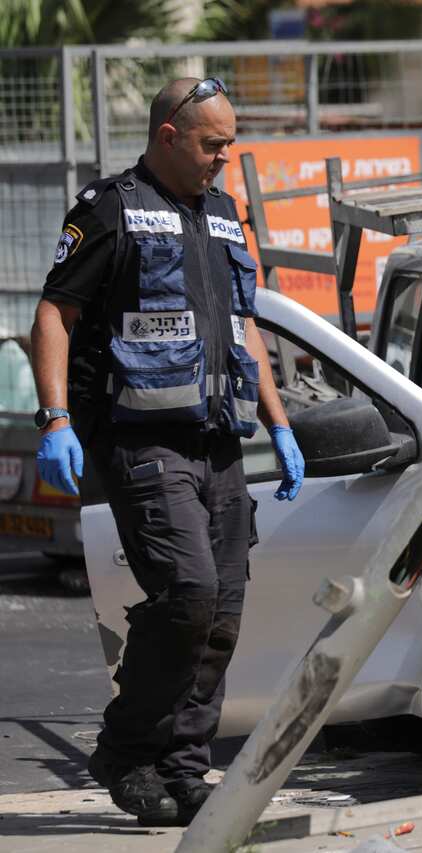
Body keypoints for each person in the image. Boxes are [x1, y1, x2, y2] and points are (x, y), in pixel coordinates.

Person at [29, 78, 307, 825]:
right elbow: (55, 310)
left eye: (231, 141)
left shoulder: (220, 213)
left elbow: (246, 327)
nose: (226, 155)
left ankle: (183, 769)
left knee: (221, 612)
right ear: (169, 136)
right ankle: (126, 750)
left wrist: (280, 425)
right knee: (186, 596)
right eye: (215, 142)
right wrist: (54, 418)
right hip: (140, 440)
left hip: (217, 440)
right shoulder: (111, 210)